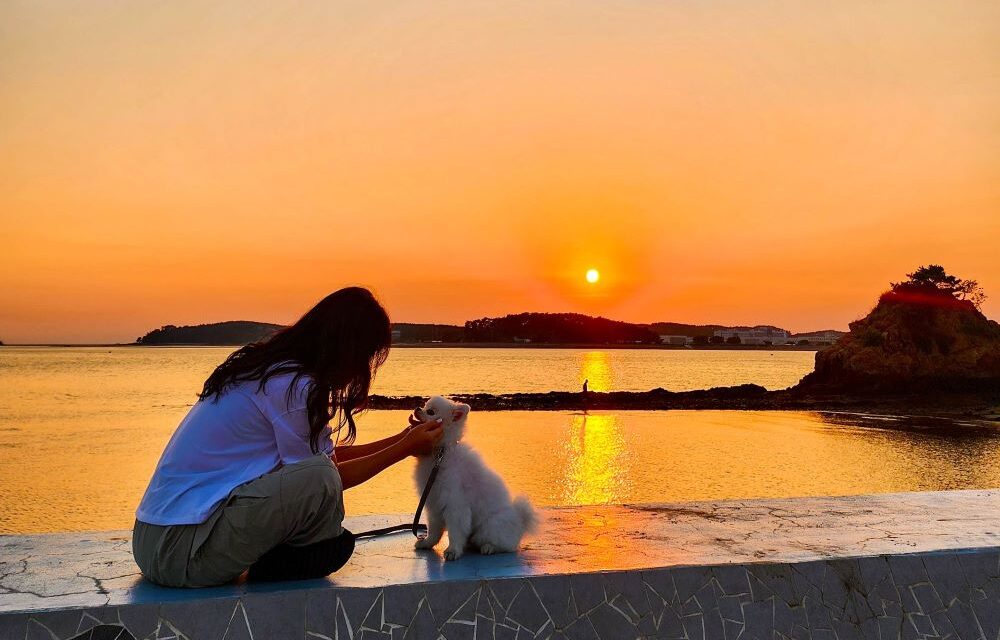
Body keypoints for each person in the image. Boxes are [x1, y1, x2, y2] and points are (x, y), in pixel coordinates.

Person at [132, 287, 445, 587]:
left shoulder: (278, 373)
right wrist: (405, 448)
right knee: (323, 490)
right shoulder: (294, 385)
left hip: (156, 541)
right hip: (180, 551)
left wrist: (404, 438)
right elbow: (327, 477)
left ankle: (295, 553)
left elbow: (327, 460)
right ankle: (288, 558)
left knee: (323, 489)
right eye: (366, 357)